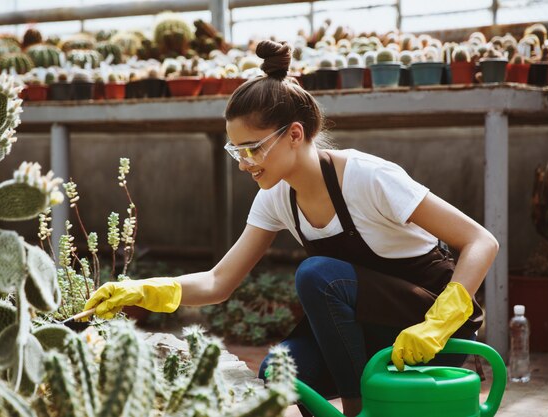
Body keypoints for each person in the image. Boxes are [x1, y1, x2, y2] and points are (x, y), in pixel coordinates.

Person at [83, 40, 498, 417]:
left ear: (294, 134)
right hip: (366, 330)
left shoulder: (368, 178)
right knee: (279, 371)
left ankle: (355, 411)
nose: (244, 163)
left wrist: (439, 323)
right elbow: (218, 282)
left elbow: (480, 240)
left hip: (427, 327)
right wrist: (142, 289)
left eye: (253, 148)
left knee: (318, 275)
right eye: (235, 151)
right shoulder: (276, 197)